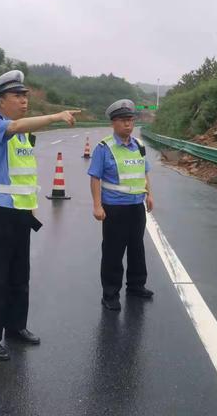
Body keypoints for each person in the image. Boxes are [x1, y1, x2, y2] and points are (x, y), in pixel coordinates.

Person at [0, 70, 80, 361]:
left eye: (25, 96)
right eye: (17, 96)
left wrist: (31, 207)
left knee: (20, 275)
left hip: (20, 212)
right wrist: (56, 116)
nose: (23, 101)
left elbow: (23, 174)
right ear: (0, 100)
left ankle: (16, 327)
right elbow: (17, 125)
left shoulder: (23, 136)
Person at [88, 99, 154, 311]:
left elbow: (144, 172)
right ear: (113, 123)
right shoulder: (104, 148)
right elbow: (95, 178)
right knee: (113, 252)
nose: (128, 124)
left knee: (137, 248)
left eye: (130, 120)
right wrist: (97, 206)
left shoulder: (139, 146)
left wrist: (149, 195)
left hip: (136, 206)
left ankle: (136, 286)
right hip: (114, 208)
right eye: (123, 120)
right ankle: (110, 294)